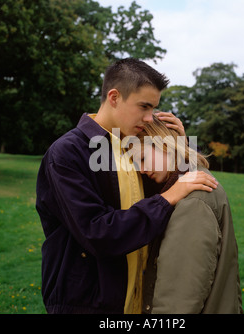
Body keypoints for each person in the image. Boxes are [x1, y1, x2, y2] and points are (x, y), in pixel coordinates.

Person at [36, 58, 218, 314]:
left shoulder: (131, 145)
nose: (148, 117)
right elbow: (97, 233)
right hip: (87, 306)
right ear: (114, 97)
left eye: (153, 108)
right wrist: (167, 199)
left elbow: (173, 186)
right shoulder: (67, 153)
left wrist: (179, 145)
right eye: (143, 106)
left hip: (135, 300)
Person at [133, 114, 243, 314]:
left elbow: (177, 302)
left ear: (164, 145)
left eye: (142, 158)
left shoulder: (193, 201)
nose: (141, 169)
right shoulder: (185, 181)